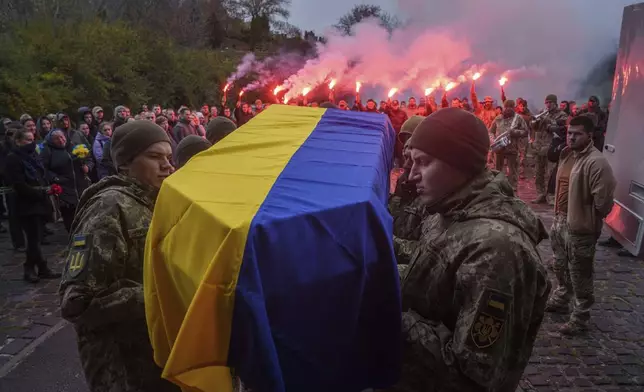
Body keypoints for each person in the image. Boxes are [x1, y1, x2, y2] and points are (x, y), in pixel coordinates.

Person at [392, 108, 551, 392]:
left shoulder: (498, 252)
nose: (412, 174)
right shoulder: (449, 210)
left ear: (459, 164)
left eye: (423, 162)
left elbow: (469, 377)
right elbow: (432, 268)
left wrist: (387, 308)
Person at [59, 120, 179, 392]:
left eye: (169, 158)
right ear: (125, 163)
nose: (167, 166)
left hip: (154, 356)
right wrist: (162, 297)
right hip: (123, 368)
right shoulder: (108, 208)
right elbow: (77, 302)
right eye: (154, 157)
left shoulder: (153, 200)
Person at [546, 115, 616, 335]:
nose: (571, 137)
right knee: (560, 264)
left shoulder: (596, 162)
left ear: (589, 135)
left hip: (581, 228)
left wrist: (587, 218)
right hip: (560, 221)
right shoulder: (567, 155)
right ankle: (561, 297)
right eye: (569, 133)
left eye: (577, 134)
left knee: (580, 273)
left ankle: (580, 316)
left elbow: (604, 202)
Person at [4, 128, 61, 283]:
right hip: (25, 204)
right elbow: (18, 184)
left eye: (32, 139)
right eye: (28, 140)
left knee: (35, 237)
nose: (32, 142)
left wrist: (48, 188)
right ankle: (30, 269)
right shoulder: (13, 158)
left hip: (39, 202)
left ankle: (41, 268)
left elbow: (40, 175)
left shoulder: (32, 156)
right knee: (33, 238)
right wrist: (41, 192)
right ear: (18, 141)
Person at [40, 130, 89, 232]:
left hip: (79, 186)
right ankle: (74, 239)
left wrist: (87, 166)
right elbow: (43, 169)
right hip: (64, 188)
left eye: (62, 137)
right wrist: (55, 178)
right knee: (69, 217)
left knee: (83, 215)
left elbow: (89, 158)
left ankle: (84, 239)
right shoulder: (48, 151)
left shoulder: (72, 146)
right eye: (56, 138)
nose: (61, 140)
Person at [531, 94, 569, 204]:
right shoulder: (543, 112)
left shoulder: (562, 115)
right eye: (546, 102)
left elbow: (562, 129)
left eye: (549, 103)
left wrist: (548, 122)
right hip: (539, 147)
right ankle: (540, 194)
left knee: (550, 173)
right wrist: (536, 121)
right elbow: (534, 127)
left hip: (551, 147)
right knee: (538, 173)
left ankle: (551, 195)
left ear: (555, 103)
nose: (547, 105)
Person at [489, 99, 528, 191]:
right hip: (499, 148)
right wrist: (493, 140)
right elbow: (491, 131)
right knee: (498, 169)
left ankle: (512, 188)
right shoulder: (498, 118)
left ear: (514, 107)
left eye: (510, 107)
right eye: (506, 107)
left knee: (512, 170)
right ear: (504, 107)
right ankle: (499, 187)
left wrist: (514, 132)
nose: (508, 109)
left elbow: (525, 132)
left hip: (512, 148)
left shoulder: (518, 118)